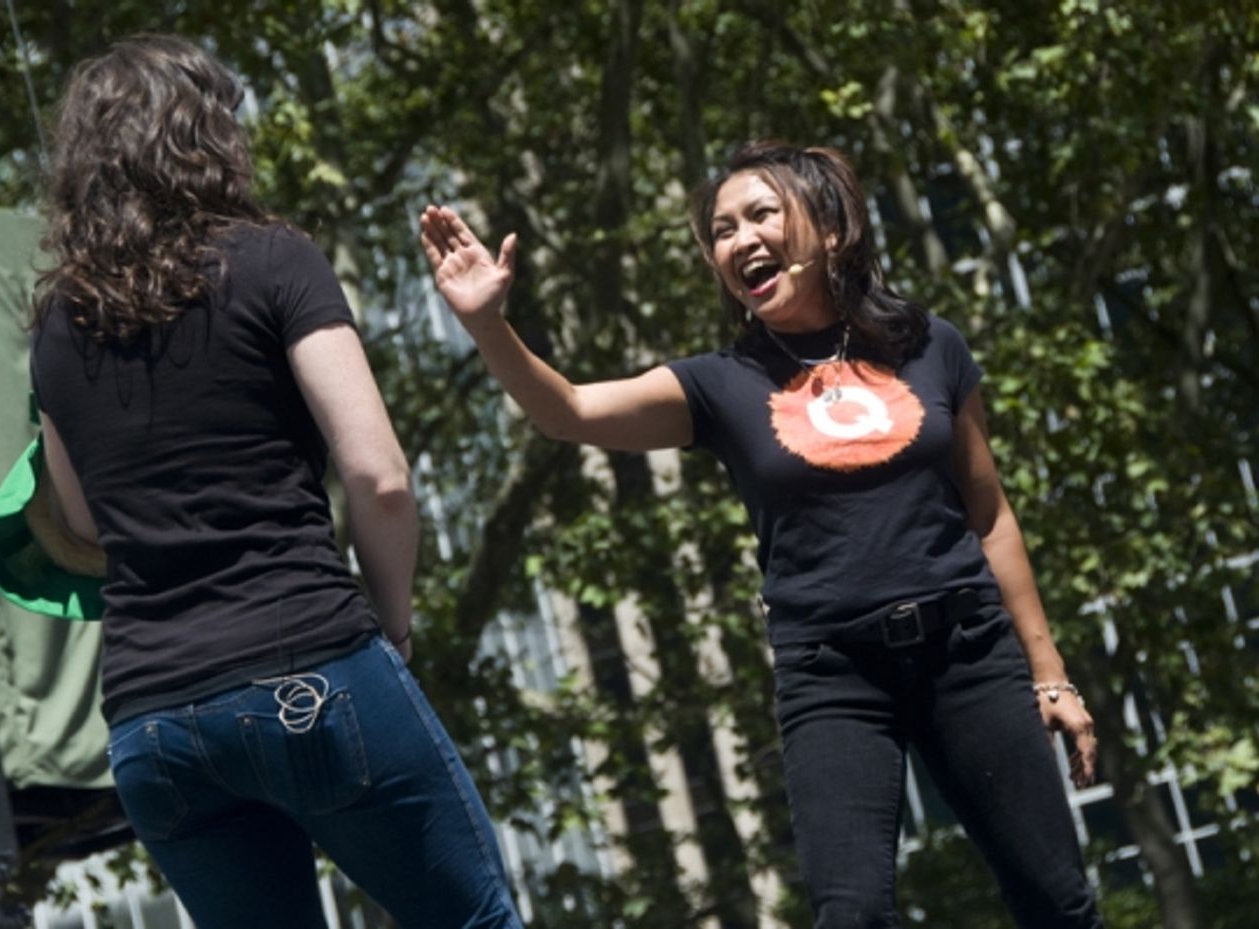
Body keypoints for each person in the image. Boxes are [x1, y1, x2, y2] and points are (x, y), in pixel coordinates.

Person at [419, 141, 1104, 927]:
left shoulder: (929, 345)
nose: (738, 239)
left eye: (760, 214)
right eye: (720, 229)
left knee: (1058, 901)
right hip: (835, 674)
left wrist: (1049, 674)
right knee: (849, 914)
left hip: (968, 650)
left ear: (830, 228)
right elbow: (566, 410)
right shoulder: (718, 383)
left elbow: (990, 515)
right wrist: (487, 323)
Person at [30, 35, 523, 929]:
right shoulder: (272, 260)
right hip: (308, 665)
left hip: (152, 724)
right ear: (199, 134)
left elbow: (79, 524)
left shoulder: (57, 328)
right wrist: (393, 629)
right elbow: (379, 474)